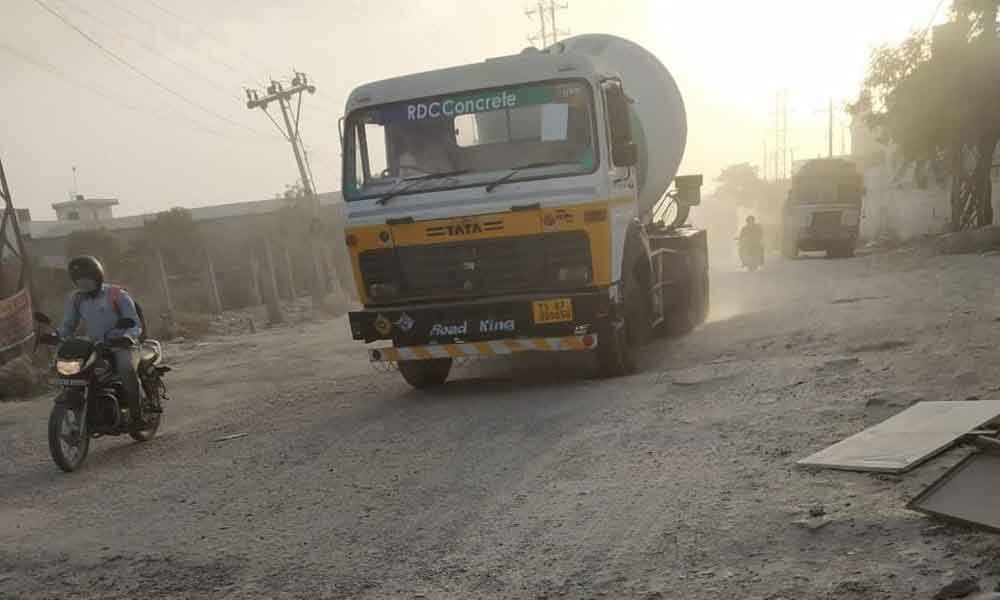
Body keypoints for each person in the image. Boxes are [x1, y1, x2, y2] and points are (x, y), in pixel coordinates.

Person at [57, 256, 155, 424]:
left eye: (87, 280)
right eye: (79, 281)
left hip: (123, 345)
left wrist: (127, 337)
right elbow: (68, 325)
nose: (83, 284)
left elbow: (134, 323)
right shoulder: (77, 299)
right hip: (96, 346)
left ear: (97, 276)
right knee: (76, 372)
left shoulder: (118, 295)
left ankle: (137, 413)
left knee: (125, 369)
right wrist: (56, 335)